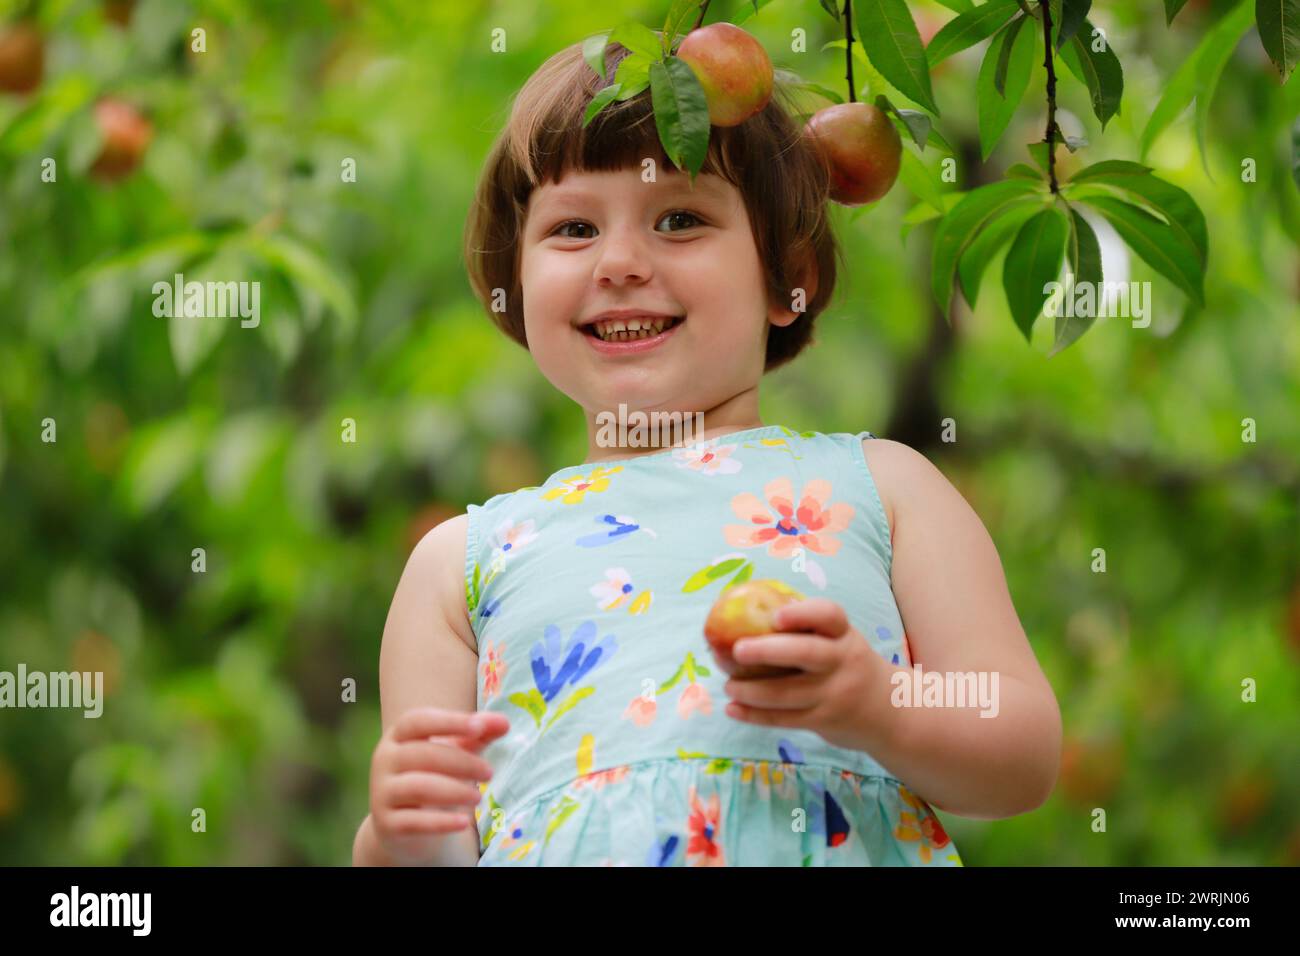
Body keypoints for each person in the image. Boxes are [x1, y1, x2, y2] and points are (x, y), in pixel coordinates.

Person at [352, 35, 1061, 867]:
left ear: (786, 275)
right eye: (574, 227)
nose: (618, 262)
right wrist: (398, 835)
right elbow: (442, 841)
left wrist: (882, 707)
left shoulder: (881, 485)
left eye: (680, 219)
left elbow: (1023, 747)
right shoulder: (459, 565)